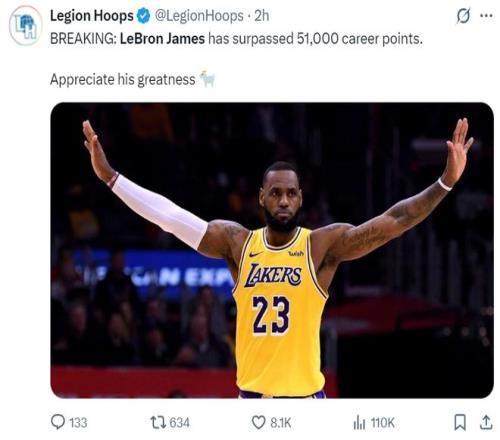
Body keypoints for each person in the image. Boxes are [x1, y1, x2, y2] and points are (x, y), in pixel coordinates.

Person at [82, 118, 474, 398]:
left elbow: (393, 221)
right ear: (261, 197)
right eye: (275, 193)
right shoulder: (237, 244)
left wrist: (445, 183)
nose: (283, 200)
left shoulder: (320, 247)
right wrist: (111, 178)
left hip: (305, 404)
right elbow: (170, 218)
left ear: (300, 198)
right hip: (252, 403)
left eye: (290, 193)